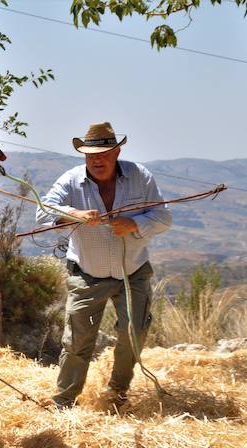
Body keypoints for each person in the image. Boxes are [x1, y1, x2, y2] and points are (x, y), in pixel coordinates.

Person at [37, 122, 171, 410]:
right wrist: (74, 214)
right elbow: (44, 210)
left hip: (132, 272)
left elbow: (163, 217)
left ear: (117, 151)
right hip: (87, 276)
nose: (96, 160)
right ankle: (63, 402)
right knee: (77, 341)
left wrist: (135, 223)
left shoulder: (140, 176)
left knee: (134, 332)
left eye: (103, 153)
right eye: (90, 155)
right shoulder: (71, 181)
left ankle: (117, 392)